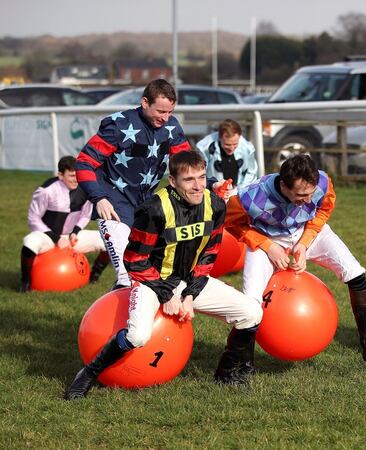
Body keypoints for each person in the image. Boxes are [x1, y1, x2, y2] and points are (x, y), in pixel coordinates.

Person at [65, 151, 263, 400]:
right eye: (189, 179)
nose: (198, 185)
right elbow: (134, 260)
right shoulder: (154, 209)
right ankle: (86, 375)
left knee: (251, 312)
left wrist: (190, 295)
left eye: (202, 177)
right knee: (138, 335)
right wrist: (166, 294)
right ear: (173, 181)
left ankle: (227, 373)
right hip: (151, 281)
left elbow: (208, 255)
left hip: (189, 280)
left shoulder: (215, 205)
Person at [224, 154, 366, 369]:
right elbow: (231, 223)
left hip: (307, 232)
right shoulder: (250, 196)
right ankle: (244, 363)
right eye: (301, 195)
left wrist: (304, 243)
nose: (308, 200)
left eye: (310, 194)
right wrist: (268, 246)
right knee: (250, 304)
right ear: (283, 185)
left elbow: (323, 209)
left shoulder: (322, 181)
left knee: (355, 273)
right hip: (268, 238)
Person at [75, 79, 195, 290]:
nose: (165, 118)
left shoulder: (172, 127)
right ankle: (118, 322)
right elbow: (84, 162)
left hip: (146, 206)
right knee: (126, 275)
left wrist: (211, 183)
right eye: (161, 111)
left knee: (149, 274)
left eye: (170, 112)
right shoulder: (119, 125)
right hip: (113, 204)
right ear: (145, 102)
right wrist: (99, 198)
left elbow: (187, 165)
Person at [20, 156, 109, 292]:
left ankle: (94, 275)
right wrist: (55, 238)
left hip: (70, 237)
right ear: (61, 175)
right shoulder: (46, 190)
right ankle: (26, 282)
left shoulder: (85, 189)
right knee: (29, 243)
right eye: (72, 176)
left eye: (78, 175)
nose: (76, 179)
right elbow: (33, 218)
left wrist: (75, 232)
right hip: (48, 237)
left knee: (107, 240)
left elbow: (85, 215)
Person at [195, 119, 258, 194]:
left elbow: (251, 173)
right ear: (220, 138)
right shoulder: (204, 148)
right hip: (213, 193)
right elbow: (199, 174)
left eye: (235, 144)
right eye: (227, 144)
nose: (231, 148)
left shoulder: (247, 148)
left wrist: (239, 191)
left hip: (238, 194)